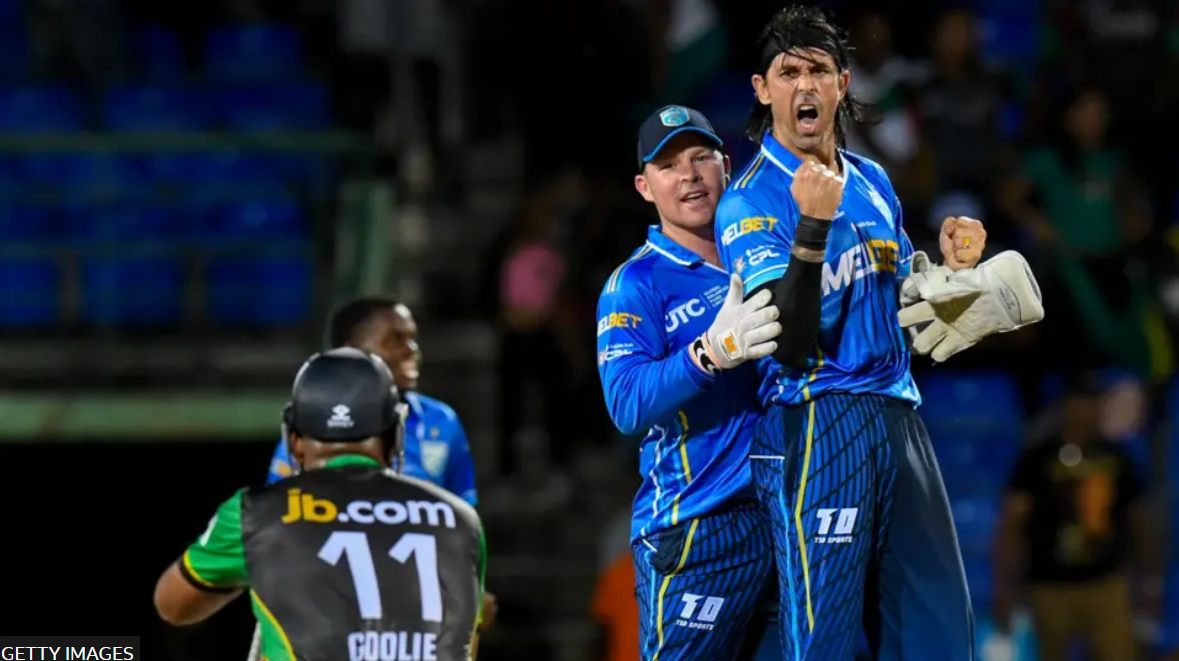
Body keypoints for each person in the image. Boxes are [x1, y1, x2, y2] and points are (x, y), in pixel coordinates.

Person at [711, 6, 1032, 660]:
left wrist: (949, 274)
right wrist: (811, 227)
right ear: (762, 89)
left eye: (819, 71)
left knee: (941, 637)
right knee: (823, 642)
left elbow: (899, 312)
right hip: (817, 421)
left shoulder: (874, 182)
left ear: (843, 84)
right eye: (788, 72)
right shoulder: (749, 198)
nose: (805, 85)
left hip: (899, 416)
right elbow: (789, 344)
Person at [596, 104, 783, 661]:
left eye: (701, 157)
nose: (689, 175)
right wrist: (709, 354)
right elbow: (626, 403)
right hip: (697, 523)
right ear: (644, 187)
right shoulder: (636, 283)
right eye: (669, 165)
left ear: (726, 165)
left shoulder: (765, 248)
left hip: (782, 513)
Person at [155, 348, 486, 661]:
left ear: (294, 441)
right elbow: (466, 642)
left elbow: (172, 605)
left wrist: (257, 570)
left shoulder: (254, 514)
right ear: (394, 437)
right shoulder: (461, 520)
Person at [993, 374, 1159, 661]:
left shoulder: (1117, 457)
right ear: (1067, 406)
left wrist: (1150, 579)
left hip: (1106, 583)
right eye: (1083, 403)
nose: (1089, 412)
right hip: (1049, 586)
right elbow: (1012, 525)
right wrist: (1005, 584)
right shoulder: (1037, 459)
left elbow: (1139, 521)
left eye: (1095, 404)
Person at [268, 296, 478, 506]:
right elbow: (278, 506)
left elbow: (464, 510)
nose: (411, 349)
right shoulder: (311, 420)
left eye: (412, 338)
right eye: (396, 339)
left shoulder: (442, 420)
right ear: (351, 351)